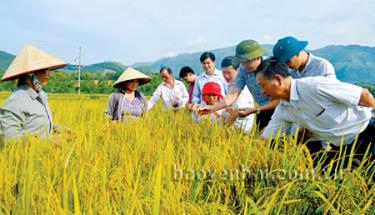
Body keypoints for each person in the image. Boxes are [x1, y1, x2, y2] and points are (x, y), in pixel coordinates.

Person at [257, 59, 375, 163]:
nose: (262, 91)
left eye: (263, 85)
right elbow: (265, 139)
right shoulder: (283, 110)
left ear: (278, 79)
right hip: (342, 145)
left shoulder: (315, 86)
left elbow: (363, 94)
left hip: (367, 132)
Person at [199, 40, 277, 131]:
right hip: (262, 109)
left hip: (279, 107)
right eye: (241, 62)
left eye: (246, 61)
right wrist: (213, 108)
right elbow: (234, 93)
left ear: (256, 57)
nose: (243, 65)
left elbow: (281, 98)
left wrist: (256, 110)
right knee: (263, 140)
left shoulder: (271, 67)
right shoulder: (244, 69)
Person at [0, 44, 67, 140]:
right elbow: (7, 138)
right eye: (44, 69)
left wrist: (57, 128)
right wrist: (49, 141)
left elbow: (34, 126)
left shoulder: (40, 97)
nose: (48, 73)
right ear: (30, 74)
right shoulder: (16, 101)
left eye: (48, 69)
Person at [221, 56, 255, 133]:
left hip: (240, 130)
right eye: (224, 72)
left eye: (229, 72)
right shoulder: (229, 85)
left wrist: (221, 131)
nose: (226, 76)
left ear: (238, 71)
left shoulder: (243, 87)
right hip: (230, 126)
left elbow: (235, 112)